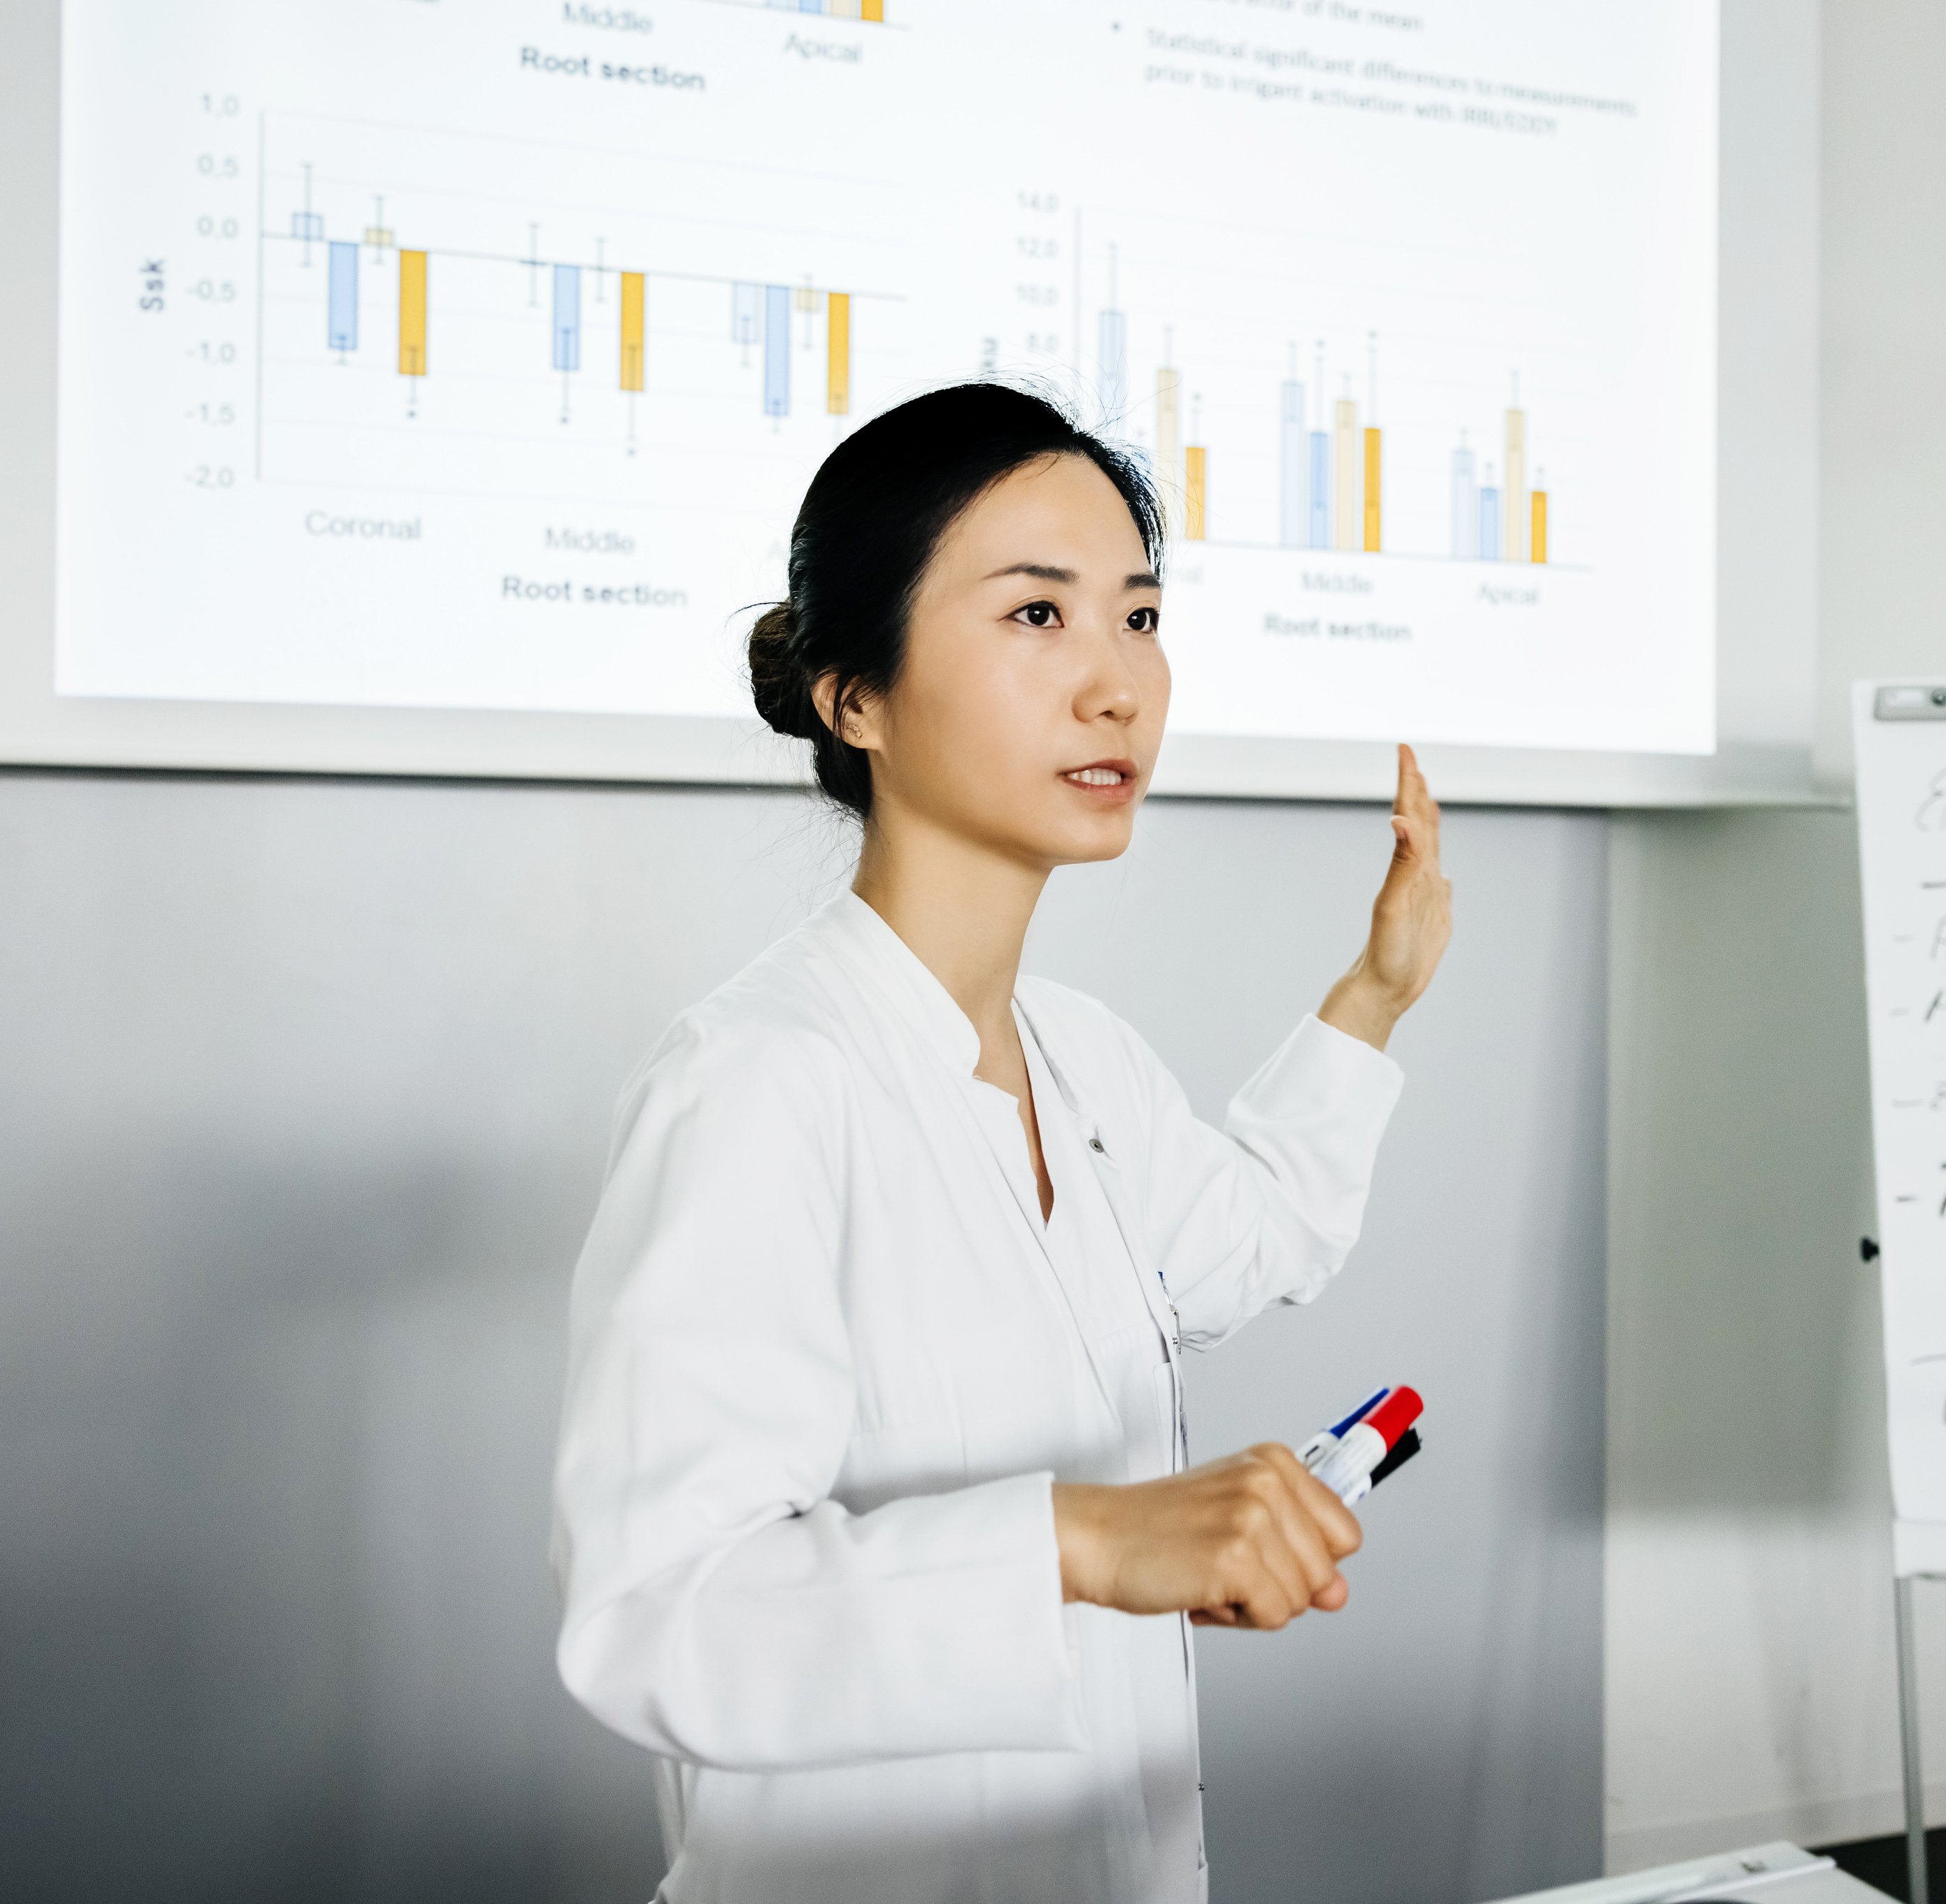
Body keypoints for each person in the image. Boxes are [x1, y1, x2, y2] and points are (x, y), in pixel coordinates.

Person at [550, 382, 1454, 1902]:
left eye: (1140, 615)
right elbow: (659, 1611)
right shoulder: (758, 1080)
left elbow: (1250, 1240)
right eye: (1037, 615)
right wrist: (1090, 1541)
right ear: (855, 696)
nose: (1117, 685)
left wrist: (1373, 995)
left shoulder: (1078, 1054)